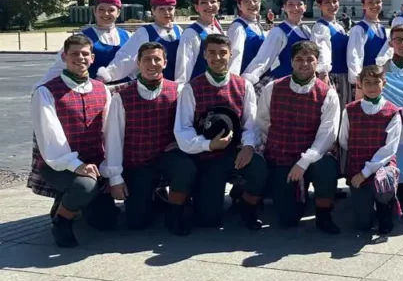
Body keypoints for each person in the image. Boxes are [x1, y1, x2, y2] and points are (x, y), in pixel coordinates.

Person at [173, 33, 267, 231]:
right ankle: (198, 193)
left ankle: (247, 205)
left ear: (230, 55)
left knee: (259, 168)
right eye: (212, 53)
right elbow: (183, 129)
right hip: (207, 155)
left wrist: (249, 146)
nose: (217, 58)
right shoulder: (192, 88)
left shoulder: (243, 85)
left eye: (222, 53)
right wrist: (207, 145)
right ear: (204, 56)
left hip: (235, 152)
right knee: (209, 221)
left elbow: (251, 122)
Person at [29, 34, 114, 247]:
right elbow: (51, 138)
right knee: (85, 186)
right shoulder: (46, 91)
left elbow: (109, 131)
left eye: (85, 54)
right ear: (64, 56)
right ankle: (61, 221)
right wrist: (76, 165)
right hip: (58, 163)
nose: (80, 58)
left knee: (104, 222)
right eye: (74, 54)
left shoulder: (101, 89)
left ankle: (69, 202)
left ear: (92, 58)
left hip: (94, 162)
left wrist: (108, 164)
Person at [254, 40, 341, 233]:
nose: (304, 64)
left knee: (326, 167)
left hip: (313, 156)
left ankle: (324, 214)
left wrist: (304, 161)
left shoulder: (328, 94)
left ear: (316, 63)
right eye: (299, 59)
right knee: (287, 219)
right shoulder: (272, 88)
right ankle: (297, 196)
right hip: (283, 155)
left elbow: (328, 133)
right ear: (291, 62)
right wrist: (279, 144)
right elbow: (262, 122)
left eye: (309, 59)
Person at [102, 42, 179, 231]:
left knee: (185, 167)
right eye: (147, 59)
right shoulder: (122, 97)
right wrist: (115, 178)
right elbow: (113, 139)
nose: (152, 63)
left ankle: (177, 207)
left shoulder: (178, 90)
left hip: (166, 161)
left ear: (165, 63)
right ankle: (153, 196)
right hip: (137, 164)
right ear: (138, 63)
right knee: (137, 223)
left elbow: (186, 126)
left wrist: (179, 142)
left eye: (157, 59)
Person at [339, 65, 402, 237]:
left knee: (384, 180)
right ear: (359, 84)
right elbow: (343, 140)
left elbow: (389, 149)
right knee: (363, 225)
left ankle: (385, 206)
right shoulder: (350, 110)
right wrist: (358, 170)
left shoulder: (393, 112)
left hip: (381, 165)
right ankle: (367, 206)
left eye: (377, 82)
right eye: (367, 83)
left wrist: (366, 172)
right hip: (358, 166)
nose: (372, 87)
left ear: (385, 83)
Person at [36, 0, 130, 87]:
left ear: (118, 13)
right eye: (101, 9)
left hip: (125, 91)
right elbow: (61, 65)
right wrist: (41, 86)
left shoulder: (128, 36)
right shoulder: (82, 37)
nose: (106, 13)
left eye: (111, 10)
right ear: (94, 11)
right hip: (94, 91)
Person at [99, 0, 181, 82]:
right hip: (152, 82)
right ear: (153, 11)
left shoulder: (178, 30)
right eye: (162, 9)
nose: (167, 12)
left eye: (170, 9)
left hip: (175, 81)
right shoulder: (145, 32)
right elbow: (127, 57)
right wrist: (108, 75)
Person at [244, 0, 312, 88]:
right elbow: (264, 58)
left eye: (299, 4)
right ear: (284, 7)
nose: (295, 8)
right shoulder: (279, 31)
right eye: (291, 4)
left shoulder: (306, 30)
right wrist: (247, 80)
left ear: (305, 7)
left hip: (304, 80)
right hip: (286, 81)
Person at [346, 0, 391, 99]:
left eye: (378, 2)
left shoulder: (381, 28)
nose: (375, 5)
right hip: (366, 82)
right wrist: (358, 81)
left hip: (379, 79)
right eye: (370, 2)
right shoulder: (359, 29)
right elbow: (354, 55)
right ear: (363, 6)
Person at [176, 0, 225, 83]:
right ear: (196, 7)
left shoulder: (217, 28)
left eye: (213, 2)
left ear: (218, 5)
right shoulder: (191, 33)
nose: (209, 5)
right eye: (203, 3)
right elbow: (184, 67)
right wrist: (181, 90)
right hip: (199, 86)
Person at [311, 0, 349, 102]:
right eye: (327, 2)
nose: (332, 5)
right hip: (332, 76)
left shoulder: (338, 26)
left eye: (334, 1)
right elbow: (321, 50)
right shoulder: (321, 27)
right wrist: (323, 72)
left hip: (344, 74)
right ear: (320, 6)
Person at [227, 0, 266, 75]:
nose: (252, 4)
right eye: (246, 1)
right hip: (245, 78)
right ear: (240, 6)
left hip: (259, 76)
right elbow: (235, 56)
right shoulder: (238, 27)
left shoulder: (257, 25)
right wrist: (235, 82)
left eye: (255, 0)